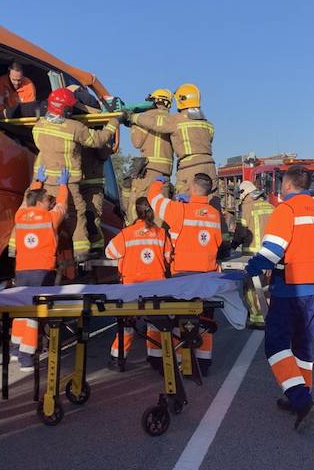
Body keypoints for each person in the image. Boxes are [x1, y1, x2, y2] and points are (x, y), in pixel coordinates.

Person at [226, 164, 314, 432]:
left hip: (291, 287)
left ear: (286, 185)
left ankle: (301, 400)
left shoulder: (288, 209)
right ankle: (299, 396)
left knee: (276, 344)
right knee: (302, 345)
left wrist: (249, 269)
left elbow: (273, 251)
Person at [131, 83, 230, 249]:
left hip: (189, 167)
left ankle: (185, 244)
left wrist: (132, 118)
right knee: (213, 205)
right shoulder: (208, 124)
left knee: (182, 208)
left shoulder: (176, 120)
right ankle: (223, 244)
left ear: (182, 101)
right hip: (210, 166)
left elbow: (156, 124)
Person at [32, 88, 119, 261]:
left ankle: (31, 247)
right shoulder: (74, 127)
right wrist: (114, 123)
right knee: (78, 215)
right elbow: (98, 141)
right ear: (66, 109)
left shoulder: (38, 126)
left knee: (37, 215)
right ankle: (81, 253)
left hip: (44, 182)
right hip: (68, 182)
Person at [148, 172, 222, 373]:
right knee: (204, 321)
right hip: (207, 277)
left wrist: (157, 182)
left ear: (191, 187)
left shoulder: (179, 210)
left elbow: (153, 199)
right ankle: (203, 363)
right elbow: (218, 242)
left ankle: (181, 363)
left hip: (183, 277)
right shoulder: (215, 214)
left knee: (180, 321)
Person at [10, 166, 69, 372]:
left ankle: (15, 350)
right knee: (34, 314)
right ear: (39, 202)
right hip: (42, 271)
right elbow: (62, 205)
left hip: (22, 271)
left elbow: (25, 202)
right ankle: (27, 357)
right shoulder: (49, 218)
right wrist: (63, 185)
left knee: (20, 309)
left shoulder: (20, 216)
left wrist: (37, 182)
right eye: (46, 200)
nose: (49, 202)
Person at [105, 196, 171, 369]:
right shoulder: (161, 233)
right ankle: (155, 359)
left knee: (127, 324)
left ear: (136, 212)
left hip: (131, 288)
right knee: (155, 323)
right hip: (156, 287)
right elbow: (168, 258)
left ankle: (118, 359)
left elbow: (110, 253)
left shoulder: (126, 233)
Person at [126, 89, 174, 223]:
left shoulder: (145, 118)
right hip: (164, 174)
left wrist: (133, 124)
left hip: (147, 171)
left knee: (137, 210)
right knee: (160, 212)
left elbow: (137, 142)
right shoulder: (172, 120)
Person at [235, 180, 275, 328]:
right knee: (268, 286)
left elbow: (241, 232)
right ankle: (270, 314)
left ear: (245, 194)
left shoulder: (246, 208)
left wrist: (233, 245)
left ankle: (257, 318)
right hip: (271, 254)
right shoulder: (272, 207)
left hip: (251, 255)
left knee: (251, 287)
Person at [80, 141, 115, 255]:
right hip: (75, 186)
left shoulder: (98, 137)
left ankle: (97, 248)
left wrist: (101, 140)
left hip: (93, 187)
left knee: (92, 217)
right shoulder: (76, 132)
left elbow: (104, 154)